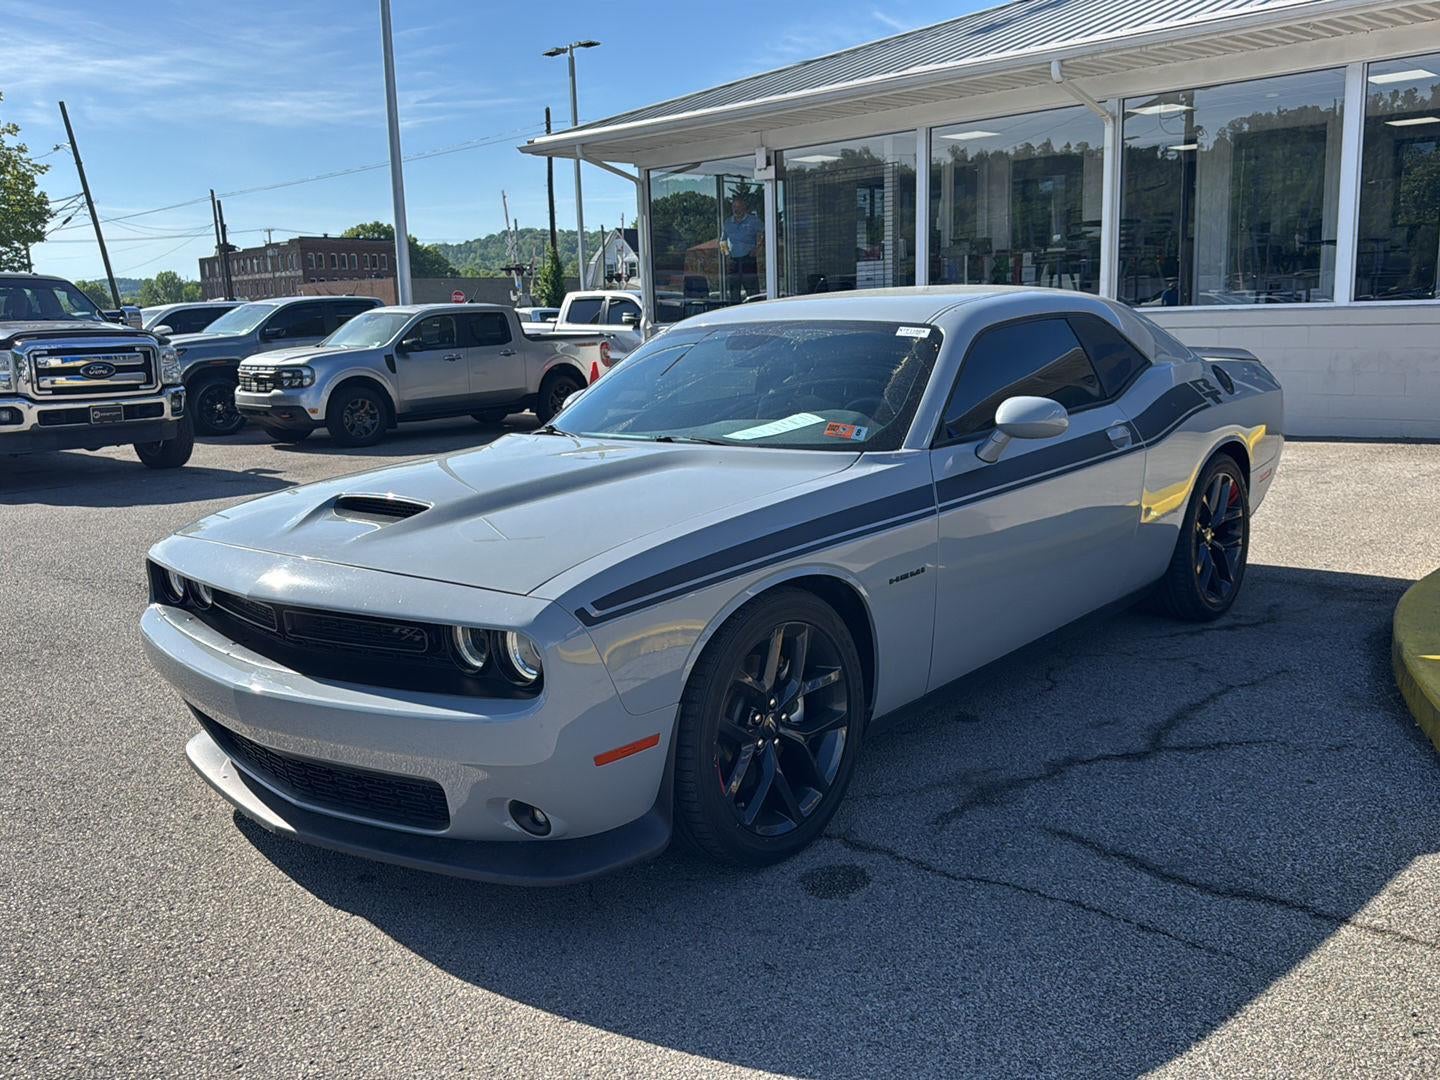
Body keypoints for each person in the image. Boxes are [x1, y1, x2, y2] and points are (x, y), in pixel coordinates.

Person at [720, 195, 763, 301]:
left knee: (752, 290)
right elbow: (722, 240)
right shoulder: (728, 222)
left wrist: (758, 248)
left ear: (744, 208)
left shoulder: (753, 221)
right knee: (734, 291)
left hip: (748, 259)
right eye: (734, 207)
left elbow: (767, 232)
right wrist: (726, 253)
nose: (736, 209)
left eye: (738, 207)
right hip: (733, 260)